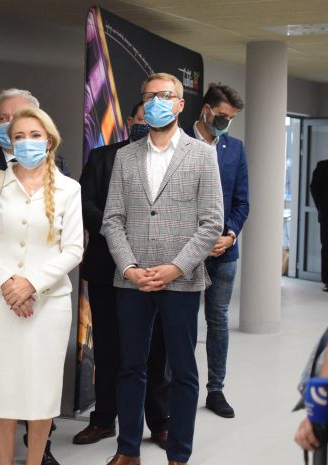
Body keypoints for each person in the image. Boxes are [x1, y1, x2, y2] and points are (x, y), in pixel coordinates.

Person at [101, 72, 224, 465]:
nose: (157, 102)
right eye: (150, 95)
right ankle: (127, 450)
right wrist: (129, 267)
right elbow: (112, 219)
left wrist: (175, 267)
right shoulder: (125, 156)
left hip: (181, 281)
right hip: (133, 280)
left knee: (183, 370)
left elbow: (211, 223)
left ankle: (178, 454)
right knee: (130, 367)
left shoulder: (202, 154)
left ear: (180, 104)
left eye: (166, 95)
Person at [0, 88, 69, 465]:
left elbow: (72, 248)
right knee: (1, 391)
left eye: (34, 135)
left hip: (48, 304)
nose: (26, 142)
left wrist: (31, 285)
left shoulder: (67, 185)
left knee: (42, 392)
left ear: (48, 139)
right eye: (17, 135)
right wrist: (8, 284)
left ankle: (37, 457)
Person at [75, 101, 170, 449]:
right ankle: (103, 420)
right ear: (130, 121)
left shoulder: (172, 161)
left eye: (155, 119)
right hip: (106, 267)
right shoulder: (102, 158)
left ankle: (159, 422)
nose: (148, 124)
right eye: (143, 118)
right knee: (108, 348)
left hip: (155, 270)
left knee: (156, 350)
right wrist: (117, 229)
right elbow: (84, 203)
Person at [186, 83, 249, 418]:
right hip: (184, 253)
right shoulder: (179, 142)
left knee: (218, 321)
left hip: (223, 254)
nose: (226, 122)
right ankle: (179, 389)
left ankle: (216, 390)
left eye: (231, 118)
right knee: (181, 322)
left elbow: (242, 202)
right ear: (206, 110)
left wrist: (231, 235)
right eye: (222, 115)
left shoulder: (234, 149)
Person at [310, 158, 328, 292]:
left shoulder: (323, 166)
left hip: (326, 215)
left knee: (327, 248)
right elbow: (314, 189)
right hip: (327, 216)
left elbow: (314, 189)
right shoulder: (323, 166)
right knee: (327, 248)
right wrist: (322, 207)